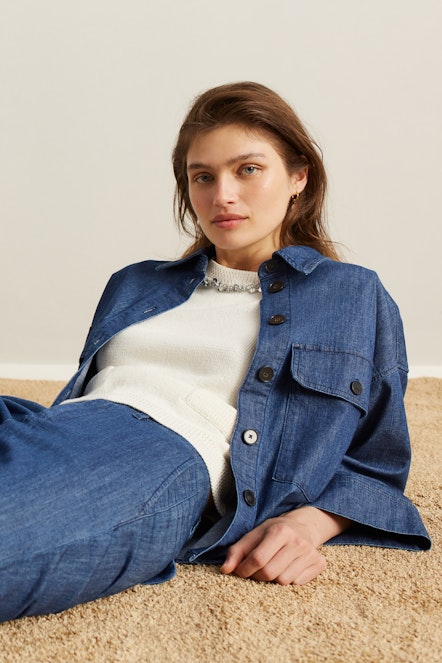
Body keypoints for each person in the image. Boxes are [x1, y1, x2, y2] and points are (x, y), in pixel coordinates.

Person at [0, 81, 431, 622]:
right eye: (202, 176)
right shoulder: (135, 282)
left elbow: (377, 462)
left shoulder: (351, 295)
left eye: (247, 169)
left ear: (298, 177)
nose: (222, 195)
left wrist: (307, 524)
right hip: (48, 424)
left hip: (161, 453)